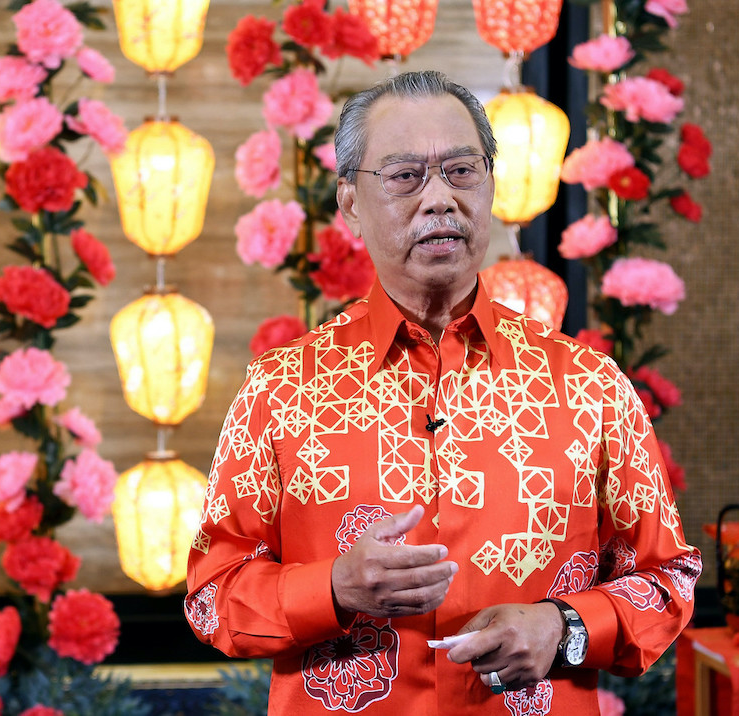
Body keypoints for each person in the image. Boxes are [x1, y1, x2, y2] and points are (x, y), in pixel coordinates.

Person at [184, 70, 701, 714]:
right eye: (404, 176)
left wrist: (562, 630)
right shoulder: (280, 389)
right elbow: (213, 594)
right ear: (349, 201)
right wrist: (335, 588)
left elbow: (668, 578)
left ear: (490, 184)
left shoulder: (588, 385)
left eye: (462, 171)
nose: (439, 199)